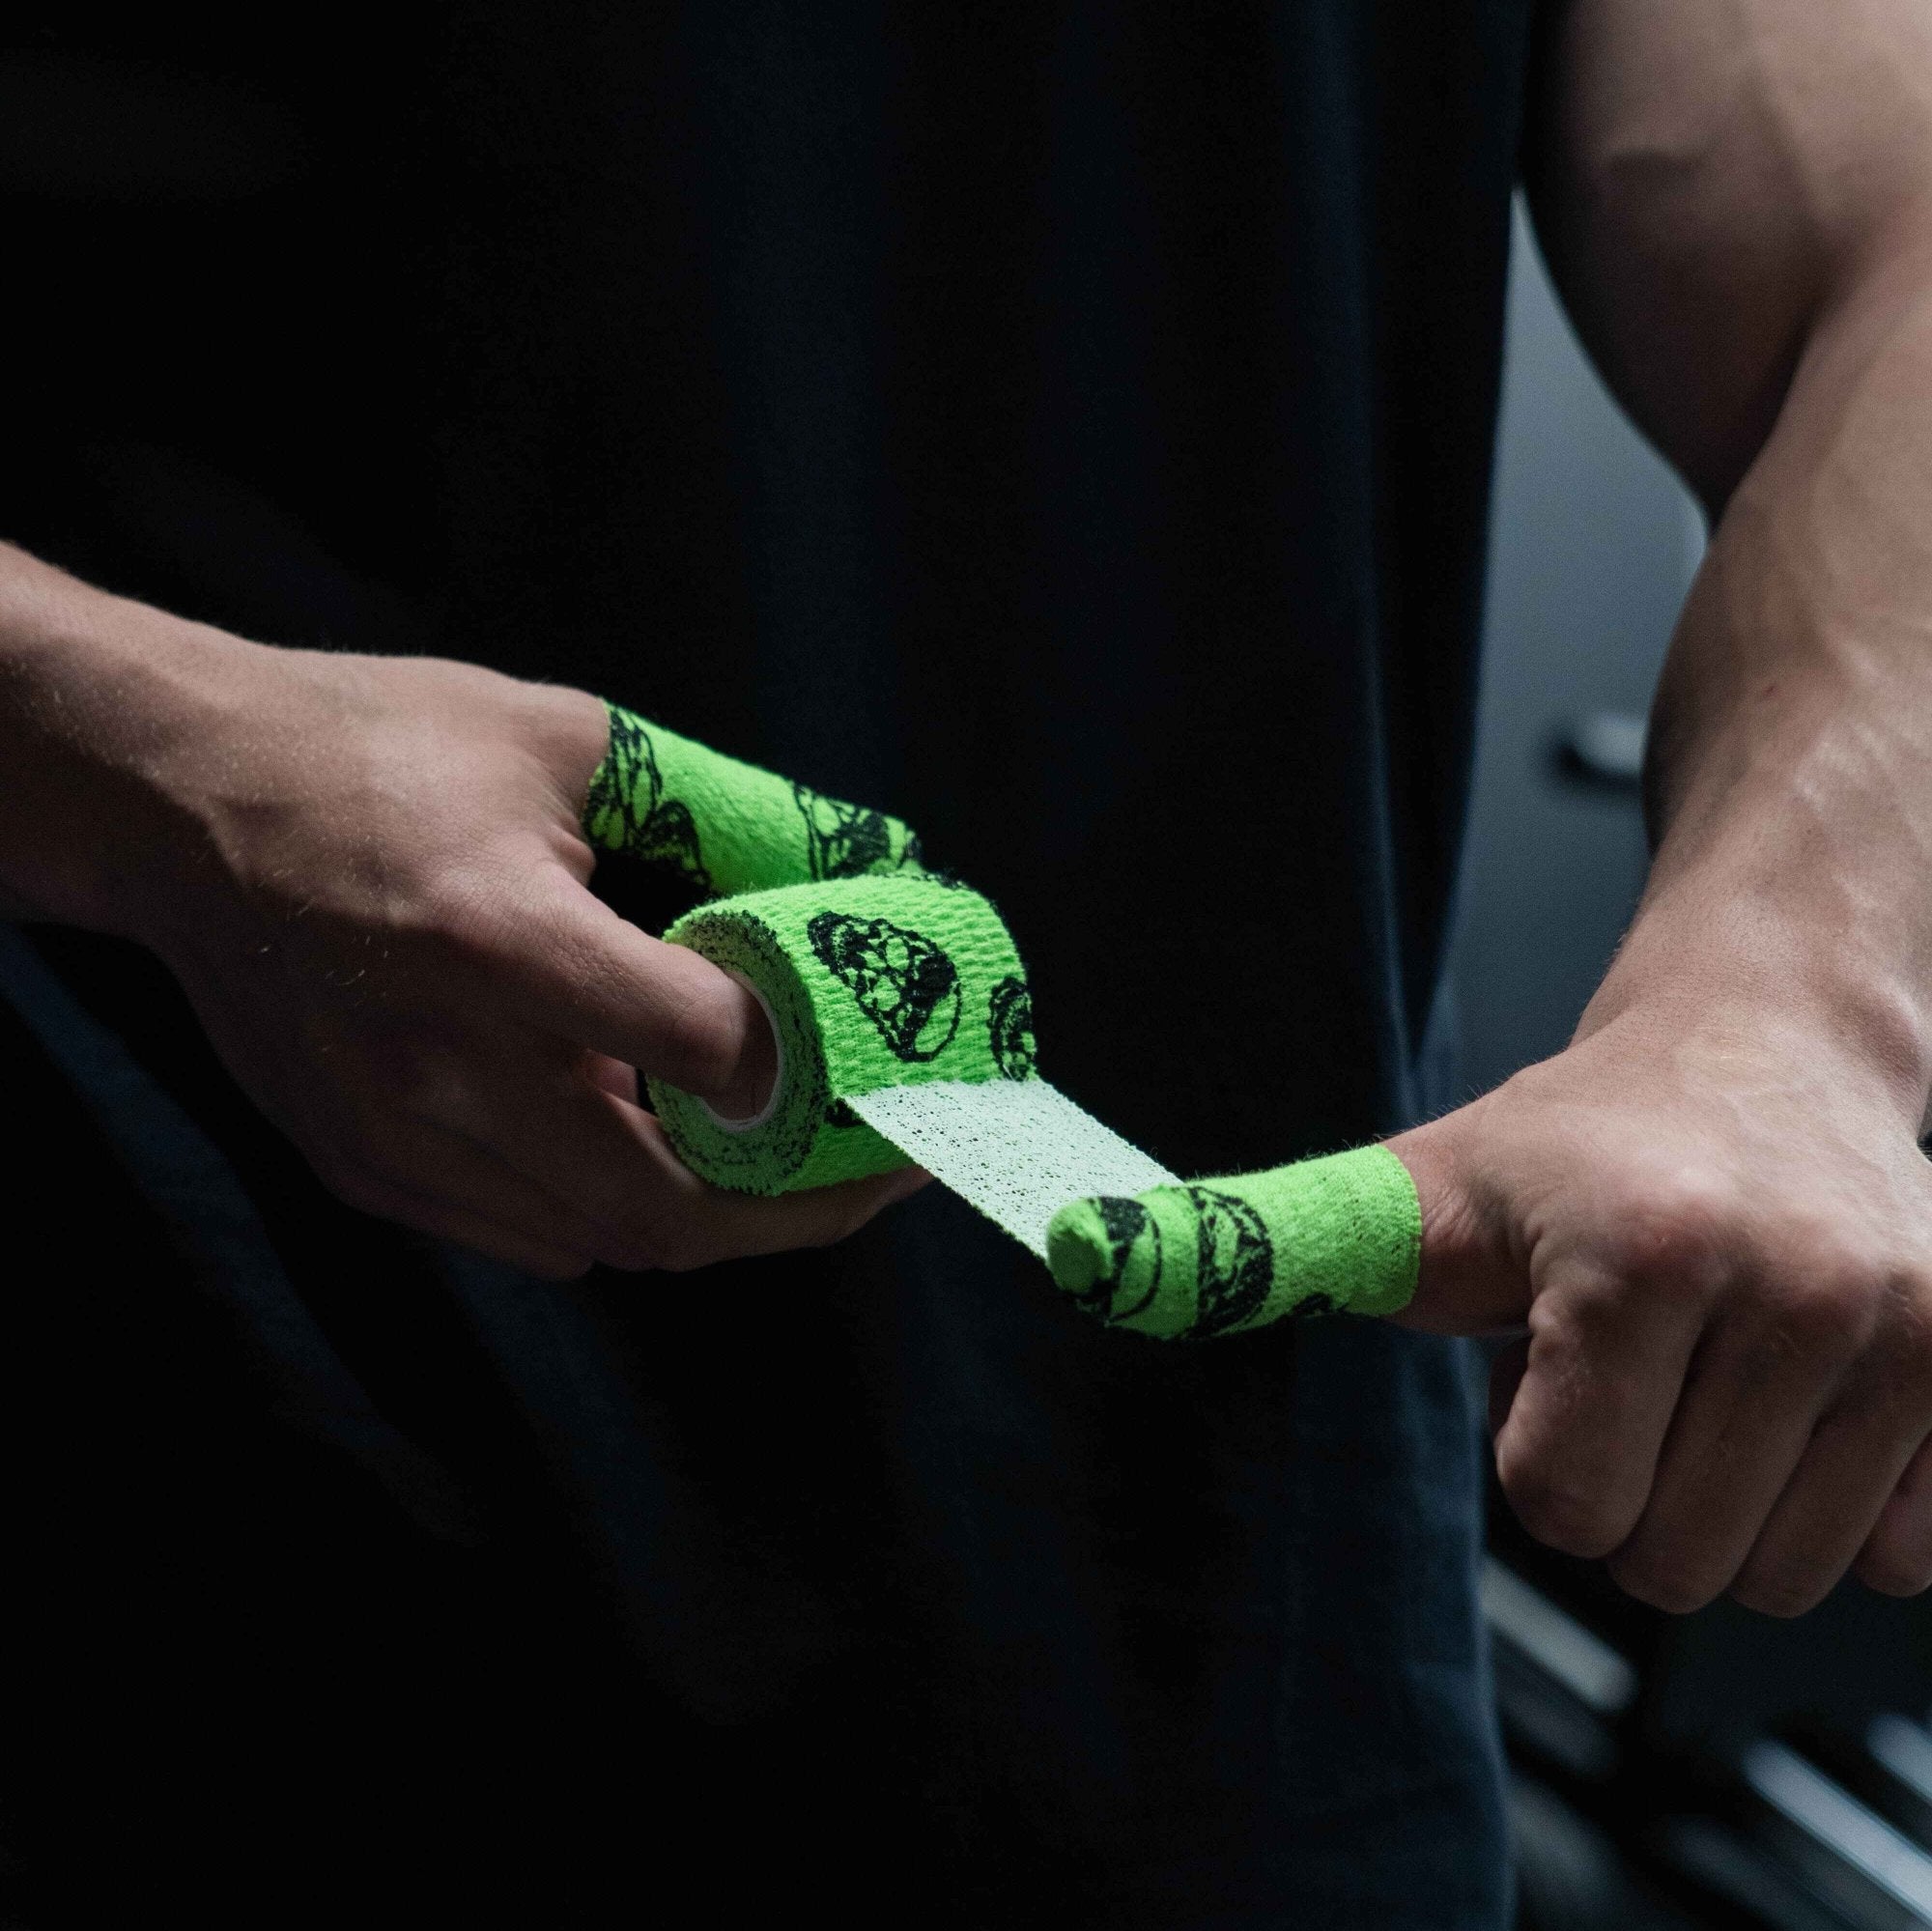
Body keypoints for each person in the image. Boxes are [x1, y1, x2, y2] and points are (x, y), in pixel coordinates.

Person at [4, 2, 1930, 1922]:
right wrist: (154, 768)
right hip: (175, 1607)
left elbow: (1890, 240)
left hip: (1209, 1698)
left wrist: (1798, 995)